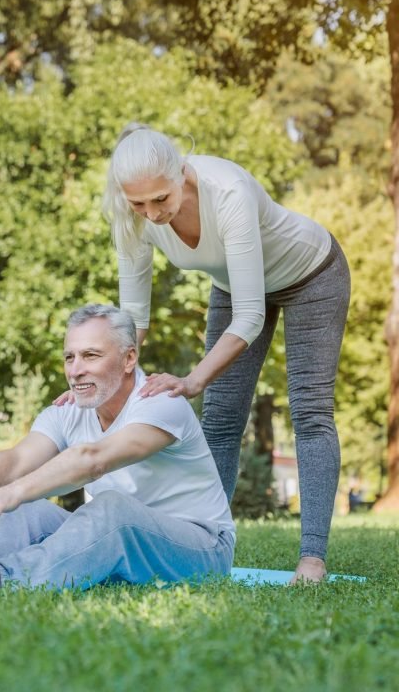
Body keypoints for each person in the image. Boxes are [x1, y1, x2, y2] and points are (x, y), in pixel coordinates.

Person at [102, 123, 350, 584]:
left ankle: (312, 558)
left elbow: (250, 319)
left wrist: (193, 379)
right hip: (235, 287)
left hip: (313, 275)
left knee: (311, 409)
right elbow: (133, 314)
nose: (152, 213)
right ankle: (201, 546)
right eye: (139, 203)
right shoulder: (131, 215)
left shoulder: (228, 190)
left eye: (161, 199)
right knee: (219, 418)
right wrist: (112, 383)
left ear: (180, 172)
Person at [0, 304, 234, 591]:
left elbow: (94, 460)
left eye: (91, 356)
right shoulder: (69, 409)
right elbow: (17, 460)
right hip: (123, 538)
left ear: (129, 358)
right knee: (26, 509)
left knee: (112, 509)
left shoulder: (161, 401)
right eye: (69, 357)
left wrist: (10, 493)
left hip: (201, 549)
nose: (75, 370)